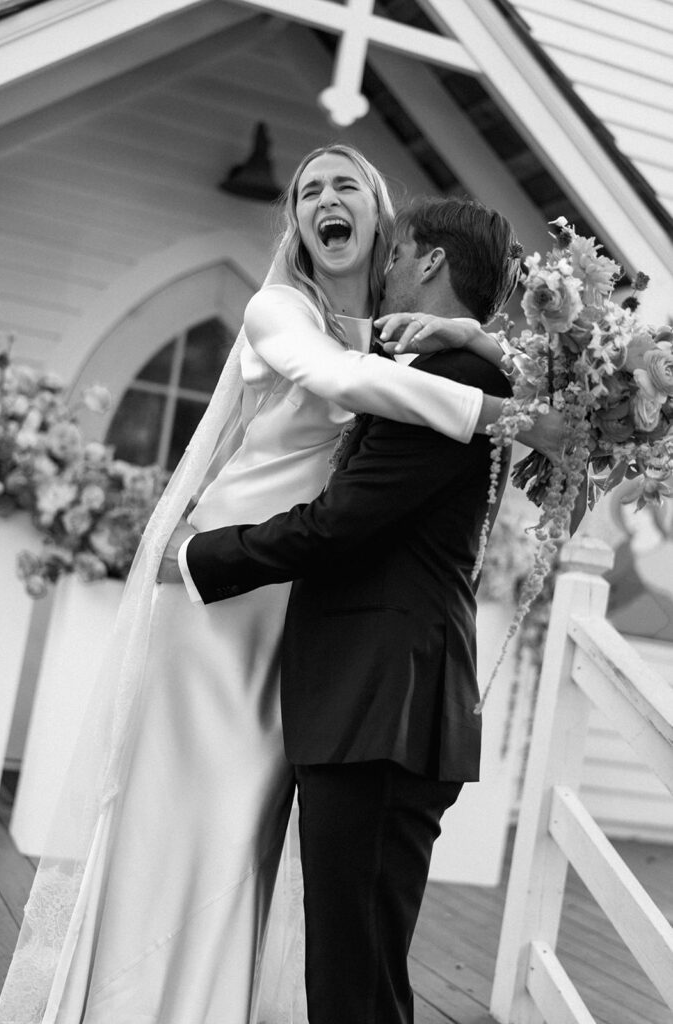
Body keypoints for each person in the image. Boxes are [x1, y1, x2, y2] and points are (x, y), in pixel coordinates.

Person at [0, 146, 558, 1024]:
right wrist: (502, 411)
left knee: (250, 840)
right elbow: (339, 385)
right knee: (186, 820)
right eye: (308, 192)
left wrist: (470, 337)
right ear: (296, 223)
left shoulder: (396, 336)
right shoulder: (279, 311)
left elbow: (417, 382)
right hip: (219, 600)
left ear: (386, 229)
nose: (324, 201)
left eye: (347, 188)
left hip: (304, 619)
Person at [171, 194, 517, 1024]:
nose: (384, 266)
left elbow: (340, 524)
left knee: (353, 976)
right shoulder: (471, 372)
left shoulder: (455, 380)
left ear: (431, 262)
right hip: (384, 704)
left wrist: (196, 553)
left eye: (397, 253)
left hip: (381, 705)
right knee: (355, 963)